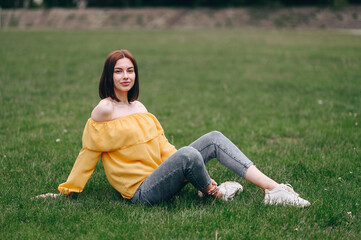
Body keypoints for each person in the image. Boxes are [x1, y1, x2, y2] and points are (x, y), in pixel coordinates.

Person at [37, 49, 310, 207]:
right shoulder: (104, 109)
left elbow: (163, 148)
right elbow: (88, 153)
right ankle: (214, 193)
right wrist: (67, 190)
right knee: (188, 155)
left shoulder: (140, 107)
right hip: (141, 192)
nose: (125, 76)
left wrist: (185, 167)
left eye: (130, 70)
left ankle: (273, 190)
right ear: (109, 75)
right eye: (118, 71)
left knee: (212, 139)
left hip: (161, 175)